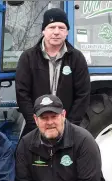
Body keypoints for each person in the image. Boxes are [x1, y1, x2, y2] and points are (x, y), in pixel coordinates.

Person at [15, 8, 90, 137]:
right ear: (43, 30)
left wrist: (68, 127)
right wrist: (36, 124)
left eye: (61, 28)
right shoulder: (28, 57)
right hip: (35, 127)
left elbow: (83, 95)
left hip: (67, 128)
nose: (56, 32)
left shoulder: (77, 58)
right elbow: (22, 94)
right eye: (52, 27)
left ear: (67, 32)